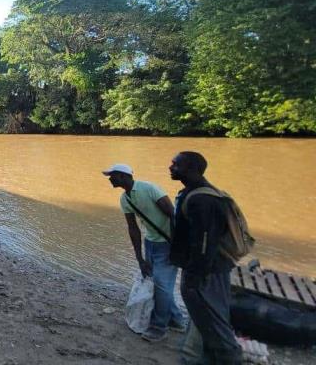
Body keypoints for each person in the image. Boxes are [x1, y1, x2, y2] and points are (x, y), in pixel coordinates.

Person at [169, 151, 242, 364]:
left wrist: (195, 274)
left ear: (192, 169)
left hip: (207, 272)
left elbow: (204, 242)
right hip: (206, 268)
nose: (171, 167)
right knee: (204, 318)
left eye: (176, 164)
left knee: (213, 319)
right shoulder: (194, 193)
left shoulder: (203, 199)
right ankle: (208, 358)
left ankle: (230, 358)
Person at [102, 163, 186, 342]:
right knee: (157, 283)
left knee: (162, 286)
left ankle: (159, 327)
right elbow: (133, 228)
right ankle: (177, 321)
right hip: (151, 243)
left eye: (113, 176)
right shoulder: (125, 199)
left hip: (167, 243)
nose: (110, 179)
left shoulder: (149, 188)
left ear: (124, 176)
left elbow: (172, 215)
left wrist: (176, 245)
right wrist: (139, 258)